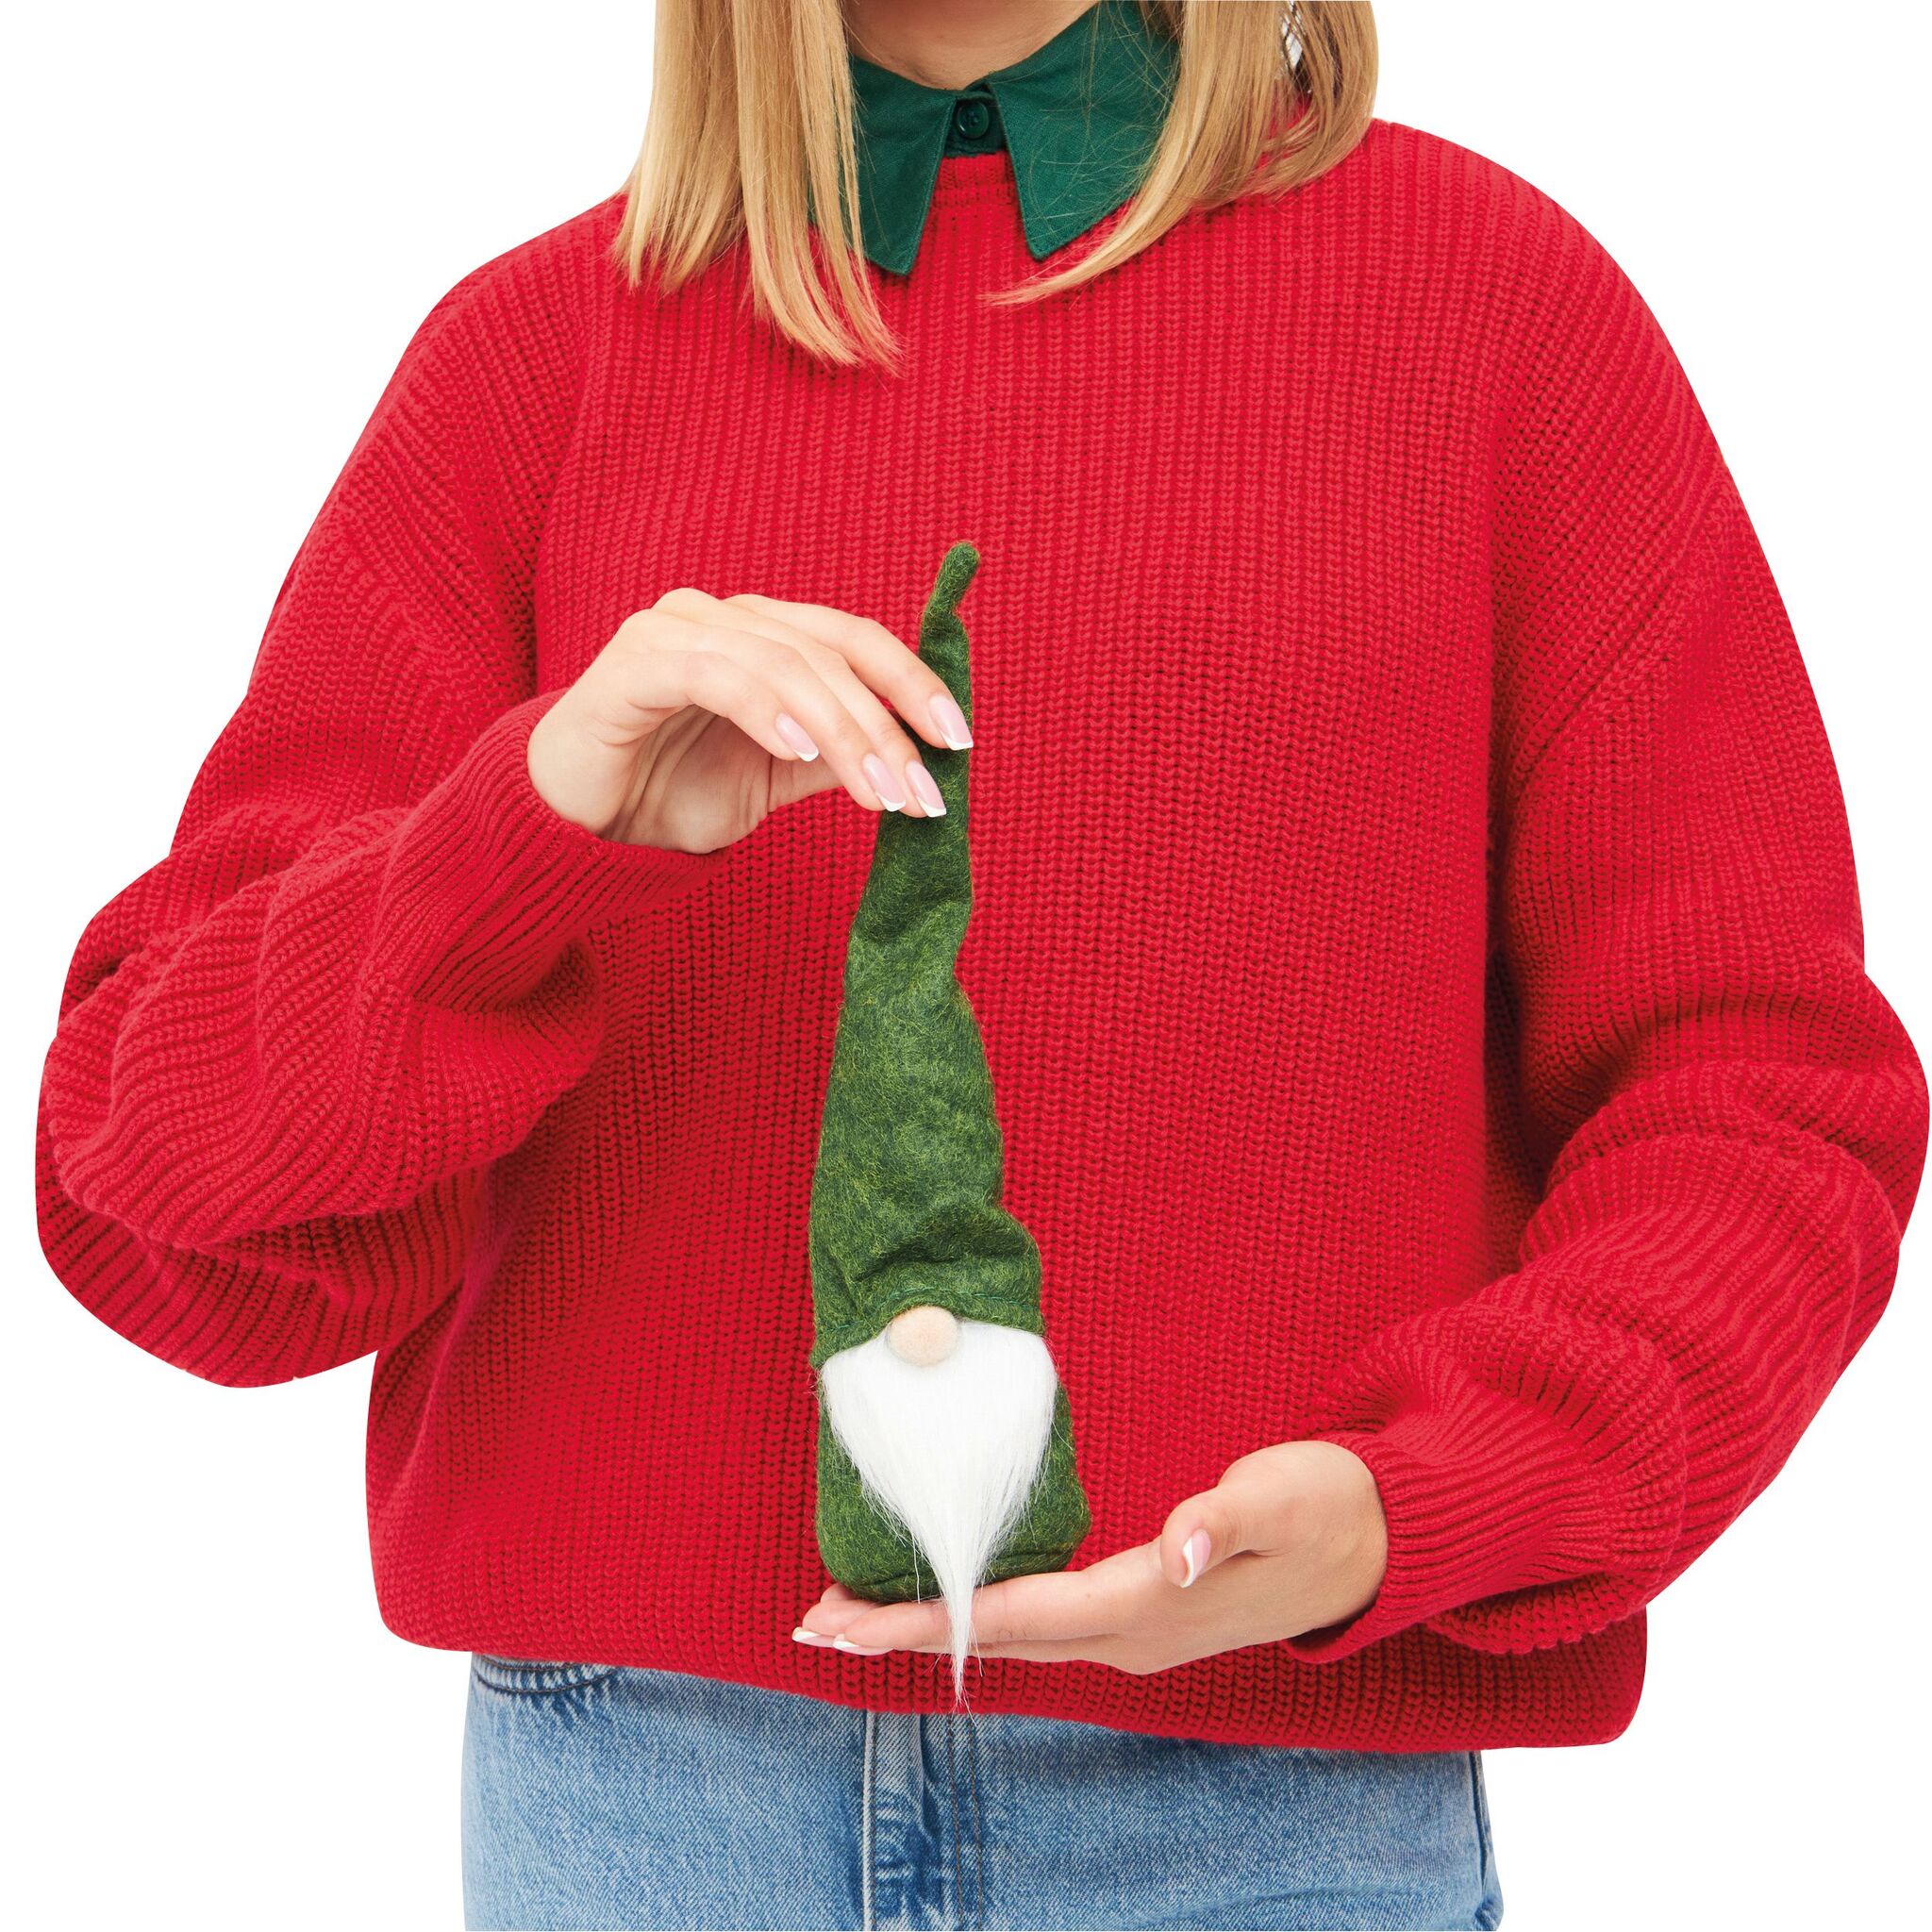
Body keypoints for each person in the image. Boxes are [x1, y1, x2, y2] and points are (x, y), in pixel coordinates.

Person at [32, 2, 1926, 1927]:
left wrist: (1429, 1495)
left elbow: (1760, 1093)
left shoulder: (1498, 314)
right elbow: (151, 1197)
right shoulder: (533, 360)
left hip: (1275, 1807)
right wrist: (520, 829)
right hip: (644, 1800)